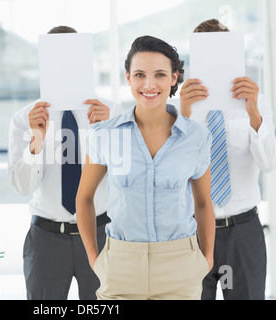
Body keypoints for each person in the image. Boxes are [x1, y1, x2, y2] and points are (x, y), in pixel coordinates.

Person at [76, 35, 215, 300]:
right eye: (140, 74)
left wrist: (205, 260)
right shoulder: (104, 135)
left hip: (180, 267)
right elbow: (84, 198)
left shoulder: (196, 137)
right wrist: (96, 260)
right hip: (120, 267)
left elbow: (203, 203)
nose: (149, 84)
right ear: (128, 77)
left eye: (160, 74)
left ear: (174, 78)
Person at [8, 25, 123, 300]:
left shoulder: (111, 113)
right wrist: (36, 141)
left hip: (100, 233)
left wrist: (109, 133)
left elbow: (126, 181)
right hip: (46, 237)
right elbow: (22, 187)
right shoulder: (25, 118)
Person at [179, 19, 276, 300]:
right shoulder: (180, 109)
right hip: (193, 233)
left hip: (243, 232)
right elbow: (170, 171)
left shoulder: (256, 103)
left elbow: (270, 164)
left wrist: (255, 116)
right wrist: (184, 116)